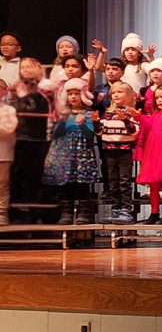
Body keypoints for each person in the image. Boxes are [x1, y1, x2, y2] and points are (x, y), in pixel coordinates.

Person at [43, 78, 100, 225]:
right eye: (70, 94)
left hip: (82, 153)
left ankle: (84, 213)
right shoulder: (63, 113)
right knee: (65, 184)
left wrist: (82, 125)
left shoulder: (88, 114)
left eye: (76, 93)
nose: (73, 97)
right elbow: (55, 135)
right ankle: (66, 213)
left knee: (82, 184)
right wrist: (61, 122)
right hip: (65, 153)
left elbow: (90, 135)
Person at [131, 84, 162, 224]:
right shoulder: (155, 115)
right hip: (153, 153)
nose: (159, 100)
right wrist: (138, 116)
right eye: (157, 98)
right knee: (153, 184)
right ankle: (154, 213)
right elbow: (147, 125)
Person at [99, 82, 140, 225]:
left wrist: (125, 120)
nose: (116, 95)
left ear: (128, 95)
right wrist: (95, 122)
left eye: (120, 92)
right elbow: (100, 131)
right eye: (114, 92)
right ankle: (115, 208)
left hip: (124, 152)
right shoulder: (108, 113)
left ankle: (126, 210)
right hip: (109, 151)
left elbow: (135, 132)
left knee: (124, 182)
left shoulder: (131, 112)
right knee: (113, 182)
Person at [11, 59, 50, 205]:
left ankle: (34, 208)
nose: (26, 69)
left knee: (36, 176)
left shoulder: (44, 91)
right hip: (19, 138)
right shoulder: (15, 91)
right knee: (18, 175)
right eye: (23, 67)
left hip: (38, 139)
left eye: (30, 66)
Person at [0, 80, 14, 226]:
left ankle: (2, 213)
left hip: (3, 153)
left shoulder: (9, 110)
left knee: (2, 185)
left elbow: (9, 131)